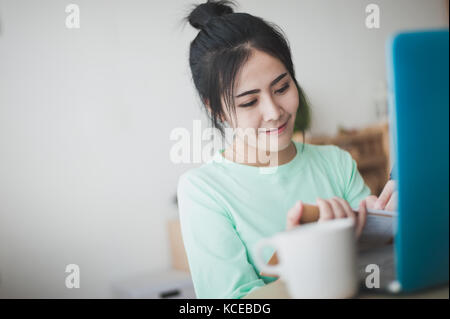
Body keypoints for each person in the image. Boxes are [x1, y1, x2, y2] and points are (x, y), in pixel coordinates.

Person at [176, 0, 370, 299]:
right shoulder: (203, 191)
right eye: (249, 102)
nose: (274, 112)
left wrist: (400, 221)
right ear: (217, 110)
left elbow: (381, 268)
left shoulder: (336, 163)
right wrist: (300, 255)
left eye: (282, 88)